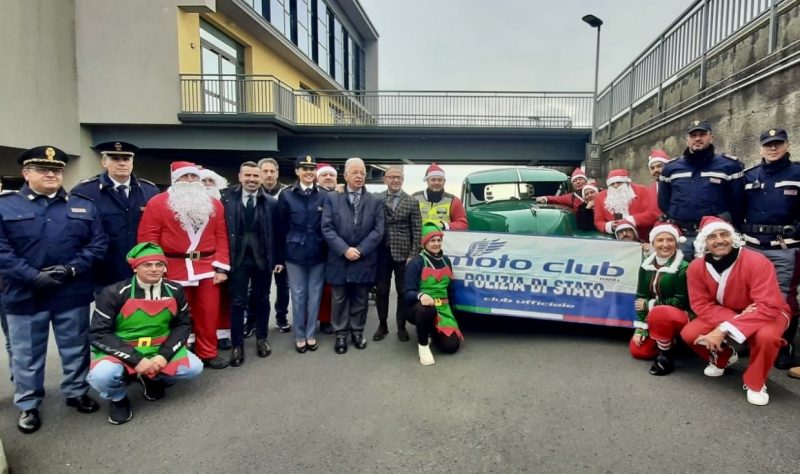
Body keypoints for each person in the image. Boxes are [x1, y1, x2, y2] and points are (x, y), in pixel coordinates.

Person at [0, 146, 108, 434]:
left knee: (75, 348)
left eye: (57, 170)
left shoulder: (82, 205)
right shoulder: (6, 206)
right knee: (26, 354)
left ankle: (76, 392)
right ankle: (28, 405)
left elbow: (97, 245)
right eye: (43, 169)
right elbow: (2, 252)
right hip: (24, 294)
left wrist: (71, 269)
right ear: (26, 173)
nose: (51, 174)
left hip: (70, 291)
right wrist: (32, 276)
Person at [87, 243, 203, 425]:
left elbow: (183, 325)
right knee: (103, 375)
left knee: (193, 368)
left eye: (159, 264)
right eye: (147, 265)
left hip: (158, 348)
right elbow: (99, 333)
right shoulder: (113, 293)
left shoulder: (175, 290)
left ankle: (152, 378)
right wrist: (136, 360)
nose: (154, 269)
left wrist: (164, 356)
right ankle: (118, 398)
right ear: (135, 267)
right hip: (123, 349)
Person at [681, 216, 790, 405]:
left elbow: (768, 305)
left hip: (769, 312)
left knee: (767, 337)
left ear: (733, 237)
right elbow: (701, 305)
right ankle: (723, 356)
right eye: (712, 236)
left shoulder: (756, 261)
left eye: (724, 234)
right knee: (690, 333)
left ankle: (755, 382)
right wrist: (735, 320)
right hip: (730, 312)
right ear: (703, 242)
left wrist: (723, 329)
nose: (720, 240)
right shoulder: (696, 267)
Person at [138, 161, 231, 369]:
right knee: (175, 315)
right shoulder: (158, 203)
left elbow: (222, 237)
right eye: (184, 177)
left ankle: (207, 352)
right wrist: (153, 268)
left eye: (193, 177)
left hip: (207, 267)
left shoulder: (214, 204)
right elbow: (148, 239)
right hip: (172, 267)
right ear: (175, 180)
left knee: (208, 313)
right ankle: (176, 353)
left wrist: (221, 267)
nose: (190, 181)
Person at [741, 128, 800, 371]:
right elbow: (737, 209)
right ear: (761, 148)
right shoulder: (749, 176)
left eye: (777, 143)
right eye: (768, 144)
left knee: (784, 296)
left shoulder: (798, 173)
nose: (772, 148)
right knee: (750, 295)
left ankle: (784, 345)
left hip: (785, 248)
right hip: (752, 247)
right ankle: (750, 336)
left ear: (787, 145)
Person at [71, 141, 159, 289]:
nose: (122, 163)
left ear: (132, 162)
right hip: (103, 273)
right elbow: (76, 232)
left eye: (126, 159)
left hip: (140, 270)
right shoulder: (85, 192)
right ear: (104, 162)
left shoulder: (150, 191)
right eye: (115, 159)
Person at [322, 157, 385, 354]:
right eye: (355, 172)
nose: (359, 176)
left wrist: (361, 249)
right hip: (339, 258)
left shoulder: (375, 201)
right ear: (346, 175)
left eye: (362, 173)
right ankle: (340, 334)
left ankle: (357, 332)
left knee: (360, 298)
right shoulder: (332, 198)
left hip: (364, 258)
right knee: (339, 298)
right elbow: (327, 227)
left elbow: (378, 230)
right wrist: (344, 249)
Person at [220, 161, 280, 366]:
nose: (252, 180)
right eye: (248, 176)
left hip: (262, 259)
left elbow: (278, 234)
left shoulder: (271, 203)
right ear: (240, 177)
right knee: (237, 302)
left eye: (256, 176)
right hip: (236, 259)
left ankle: (262, 339)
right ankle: (237, 345)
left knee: (262, 298)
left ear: (261, 178)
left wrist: (278, 259)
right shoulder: (227, 199)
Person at [659, 120, 745, 257]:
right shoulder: (671, 168)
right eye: (693, 135)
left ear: (711, 138)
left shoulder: (729, 165)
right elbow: (664, 202)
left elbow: (738, 202)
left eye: (702, 134)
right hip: (682, 235)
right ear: (687, 140)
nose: (698, 138)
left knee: (713, 276)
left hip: (714, 237)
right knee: (681, 274)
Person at [278, 155, 328, 353]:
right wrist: (280, 256)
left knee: (315, 295)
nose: (309, 172)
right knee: (298, 294)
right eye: (304, 168)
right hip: (294, 251)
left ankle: (310, 334)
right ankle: (299, 334)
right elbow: (280, 228)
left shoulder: (324, 194)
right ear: (297, 171)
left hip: (318, 250)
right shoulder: (286, 194)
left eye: (312, 169)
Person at [630, 223, 691, 375]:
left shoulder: (684, 267)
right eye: (660, 240)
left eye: (670, 240)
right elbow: (641, 298)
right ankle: (669, 342)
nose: (665, 245)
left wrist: (650, 305)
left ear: (676, 242)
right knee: (639, 351)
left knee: (662, 313)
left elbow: (681, 301)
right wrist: (641, 329)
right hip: (653, 317)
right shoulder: (645, 266)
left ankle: (669, 350)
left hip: (678, 315)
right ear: (653, 243)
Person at [373, 166, 422, 342]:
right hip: (381, 252)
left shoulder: (411, 202)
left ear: (403, 179)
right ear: (385, 179)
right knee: (382, 290)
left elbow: (417, 231)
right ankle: (382, 324)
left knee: (403, 291)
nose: (395, 180)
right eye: (392, 177)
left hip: (404, 254)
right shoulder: (376, 198)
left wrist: (413, 254)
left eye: (399, 177)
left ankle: (401, 326)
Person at [404, 222, 463, 366]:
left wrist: (453, 315)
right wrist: (421, 296)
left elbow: (449, 290)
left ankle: (433, 331)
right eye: (432, 240)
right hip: (420, 308)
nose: (436, 244)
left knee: (451, 347)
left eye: (439, 240)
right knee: (427, 309)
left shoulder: (446, 261)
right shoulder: (416, 263)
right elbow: (407, 292)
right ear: (425, 242)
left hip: (443, 308)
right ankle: (423, 345)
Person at [199, 167, 232, 350]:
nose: (208, 185)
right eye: (204, 181)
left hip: (222, 257)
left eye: (211, 181)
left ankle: (223, 333)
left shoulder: (225, 202)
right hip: (194, 261)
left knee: (224, 299)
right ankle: (195, 335)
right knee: (196, 303)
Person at [257, 157, 291, 333]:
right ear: (259, 173)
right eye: (265, 171)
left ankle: (281, 317)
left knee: (283, 287)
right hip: (259, 250)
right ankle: (255, 321)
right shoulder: (253, 193)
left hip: (281, 249)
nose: (269, 175)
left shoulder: (286, 193)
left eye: (272, 171)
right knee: (258, 289)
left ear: (277, 173)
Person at [594, 169, 658, 240]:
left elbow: (652, 213)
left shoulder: (642, 190)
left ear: (627, 182)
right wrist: (610, 226)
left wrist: (630, 220)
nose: (615, 186)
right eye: (612, 184)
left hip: (642, 237)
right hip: (614, 238)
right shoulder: (600, 197)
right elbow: (598, 221)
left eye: (619, 182)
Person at [315, 162, 338, 334]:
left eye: (331, 175)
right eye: (324, 175)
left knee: (331, 289)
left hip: (337, 249)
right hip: (316, 248)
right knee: (315, 288)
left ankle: (328, 319)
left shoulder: (341, 196)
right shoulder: (312, 196)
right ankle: (314, 320)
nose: (328, 178)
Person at [411, 162, 468, 230]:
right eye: (433, 180)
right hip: (418, 238)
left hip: (443, 238)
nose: (436, 183)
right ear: (427, 181)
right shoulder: (414, 198)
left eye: (440, 180)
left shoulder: (454, 201)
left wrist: (443, 225)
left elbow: (463, 224)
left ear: (444, 181)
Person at [646, 149, 669, 218]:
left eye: (659, 166)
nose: (656, 170)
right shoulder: (650, 190)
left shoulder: (678, 183)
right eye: (652, 168)